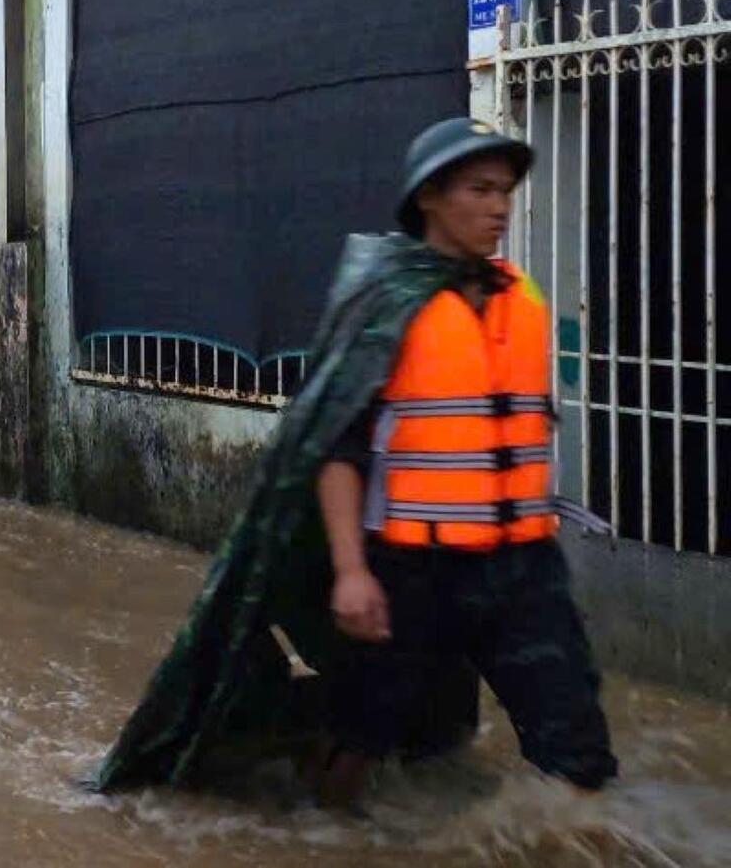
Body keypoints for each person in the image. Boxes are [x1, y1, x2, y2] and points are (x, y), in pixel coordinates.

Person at [89, 117, 615, 802]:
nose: (499, 207)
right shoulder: (385, 300)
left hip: (522, 570)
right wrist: (349, 572)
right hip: (413, 573)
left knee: (577, 749)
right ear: (430, 196)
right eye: (479, 189)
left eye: (505, 190)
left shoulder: (524, 295)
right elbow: (335, 445)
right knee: (360, 739)